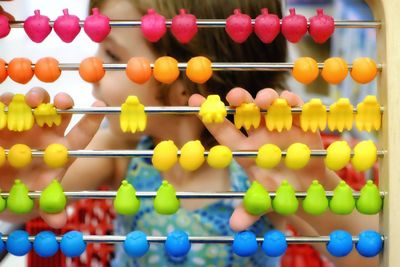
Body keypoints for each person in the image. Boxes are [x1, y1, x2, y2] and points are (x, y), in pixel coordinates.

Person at [0, 0, 378, 266]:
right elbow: (36, 200)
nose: (91, 70)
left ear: (185, 80)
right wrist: (18, 186)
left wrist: (313, 193)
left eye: (112, 57)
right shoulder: (120, 148)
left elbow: (374, 255)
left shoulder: (261, 171)